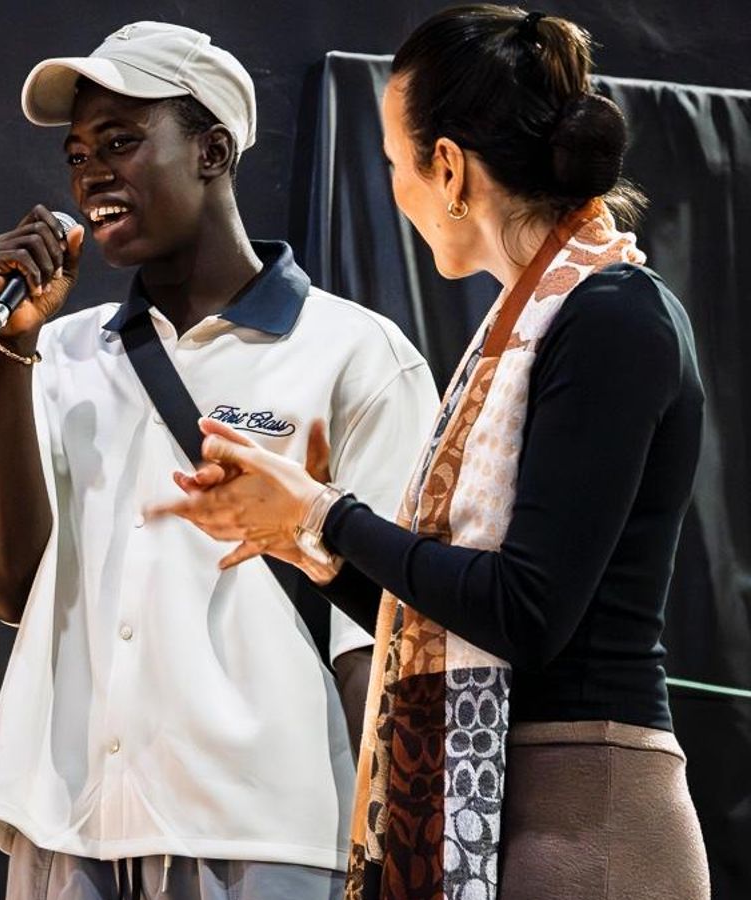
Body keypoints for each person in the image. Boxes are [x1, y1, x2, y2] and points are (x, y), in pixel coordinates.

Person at [149, 7, 711, 899]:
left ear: (446, 168)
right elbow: (449, 618)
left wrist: (327, 512)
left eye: (390, 161)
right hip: (527, 813)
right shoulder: (528, 326)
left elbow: (526, 612)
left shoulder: (611, 317)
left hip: (584, 820)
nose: (393, 188)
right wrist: (318, 552)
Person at [0, 21, 438, 900]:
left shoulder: (354, 353)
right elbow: (2, 585)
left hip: (268, 830)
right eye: (77, 154)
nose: (91, 173)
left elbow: (385, 633)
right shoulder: (56, 353)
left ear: (213, 149)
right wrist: (9, 355)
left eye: (121, 141)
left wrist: (393, 843)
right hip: (66, 826)